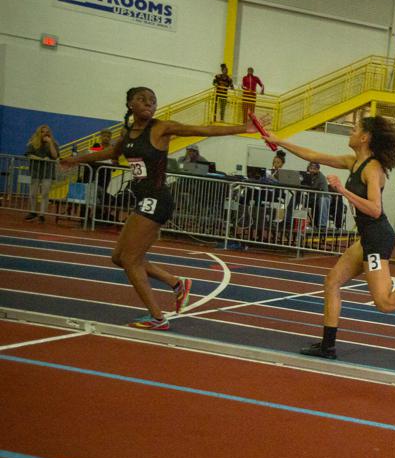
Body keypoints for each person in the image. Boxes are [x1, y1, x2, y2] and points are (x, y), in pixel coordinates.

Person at [265, 115, 395, 358]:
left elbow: (375, 209)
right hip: (366, 237)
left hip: (377, 238)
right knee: (332, 282)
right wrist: (278, 140)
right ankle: (327, 345)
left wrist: (343, 191)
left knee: (385, 303)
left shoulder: (373, 169)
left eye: (354, 129)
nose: (350, 133)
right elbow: (313, 156)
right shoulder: (353, 162)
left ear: (364, 138)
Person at [59, 86, 267, 329]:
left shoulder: (161, 128)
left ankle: (157, 317)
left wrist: (244, 128)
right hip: (144, 199)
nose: (148, 103)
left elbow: (202, 129)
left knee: (130, 259)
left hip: (157, 199)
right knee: (119, 257)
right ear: (130, 105)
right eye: (142, 99)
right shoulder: (128, 135)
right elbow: (108, 153)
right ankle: (176, 283)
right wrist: (75, 160)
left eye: (153, 100)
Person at [24, 125, 59, 222]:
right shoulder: (32, 143)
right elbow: (29, 155)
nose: (45, 133)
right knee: (33, 193)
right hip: (35, 171)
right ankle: (33, 211)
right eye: (43, 131)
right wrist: (41, 159)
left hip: (47, 172)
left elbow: (55, 156)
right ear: (39, 133)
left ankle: (42, 214)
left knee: (45, 193)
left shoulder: (54, 143)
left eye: (47, 132)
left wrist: (50, 143)